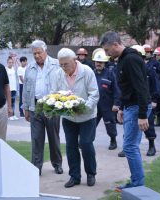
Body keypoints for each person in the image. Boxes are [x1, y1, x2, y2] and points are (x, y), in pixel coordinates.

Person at [99, 31, 151, 191]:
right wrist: (121, 107)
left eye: (107, 50)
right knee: (130, 146)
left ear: (115, 44)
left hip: (137, 108)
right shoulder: (122, 59)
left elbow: (141, 88)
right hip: (130, 107)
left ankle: (137, 184)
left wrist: (142, 115)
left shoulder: (131, 59)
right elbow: (126, 87)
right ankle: (136, 182)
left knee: (129, 146)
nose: (107, 54)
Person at [51, 48, 99, 188]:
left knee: (85, 143)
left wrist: (83, 109)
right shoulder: (59, 74)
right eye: (61, 64)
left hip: (87, 117)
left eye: (66, 64)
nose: (63, 67)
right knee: (71, 146)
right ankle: (74, 176)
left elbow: (94, 94)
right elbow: (54, 94)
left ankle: (91, 173)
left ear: (74, 60)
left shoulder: (87, 71)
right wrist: (59, 106)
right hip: (69, 117)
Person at [22, 40, 63, 176]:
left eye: (39, 53)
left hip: (52, 106)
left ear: (45, 51)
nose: (37, 56)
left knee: (53, 137)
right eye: (34, 54)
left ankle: (57, 164)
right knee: (36, 138)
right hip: (35, 106)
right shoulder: (30, 68)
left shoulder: (57, 64)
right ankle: (36, 166)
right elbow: (26, 89)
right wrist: (26, 108)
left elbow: (63, 84)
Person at [93, 48, 120, 150]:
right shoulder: (91, 73)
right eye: (97, 62)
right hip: (94, 104)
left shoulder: (110, 74)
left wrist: (116, 103)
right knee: (91, 124)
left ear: (105, 63)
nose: (98, 64)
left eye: (100, 62)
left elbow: (116, 90)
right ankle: (87, 141)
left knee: (110, 123)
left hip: (107, 105)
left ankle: (113, 140)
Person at [6, 56, 18, 120]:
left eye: (11, 62)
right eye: (9, 62)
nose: (10, 63)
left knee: (13, 102)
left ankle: (13, 115)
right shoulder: (6, 69)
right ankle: (9, 115)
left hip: (14, 88)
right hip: (9, 89)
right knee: (9, 103)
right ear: (7, 63)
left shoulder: (13, 69)